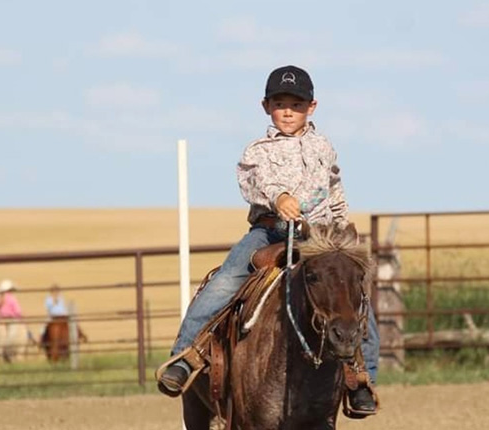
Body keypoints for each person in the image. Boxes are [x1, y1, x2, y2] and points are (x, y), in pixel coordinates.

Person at [157, 65, 379, 414]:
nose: (288, 111)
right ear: (266, 107)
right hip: (269, 230)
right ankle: (185, 355)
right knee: (226, 280)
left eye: (297, 103)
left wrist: (340, 227)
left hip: (319, 240)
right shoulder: (257, 150)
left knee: (352, 298)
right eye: (280, 103)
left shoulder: (324, 147)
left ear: (312, 107)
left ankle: (360, 379)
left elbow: (335, 190)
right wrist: (278, 197)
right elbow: (251, 183)